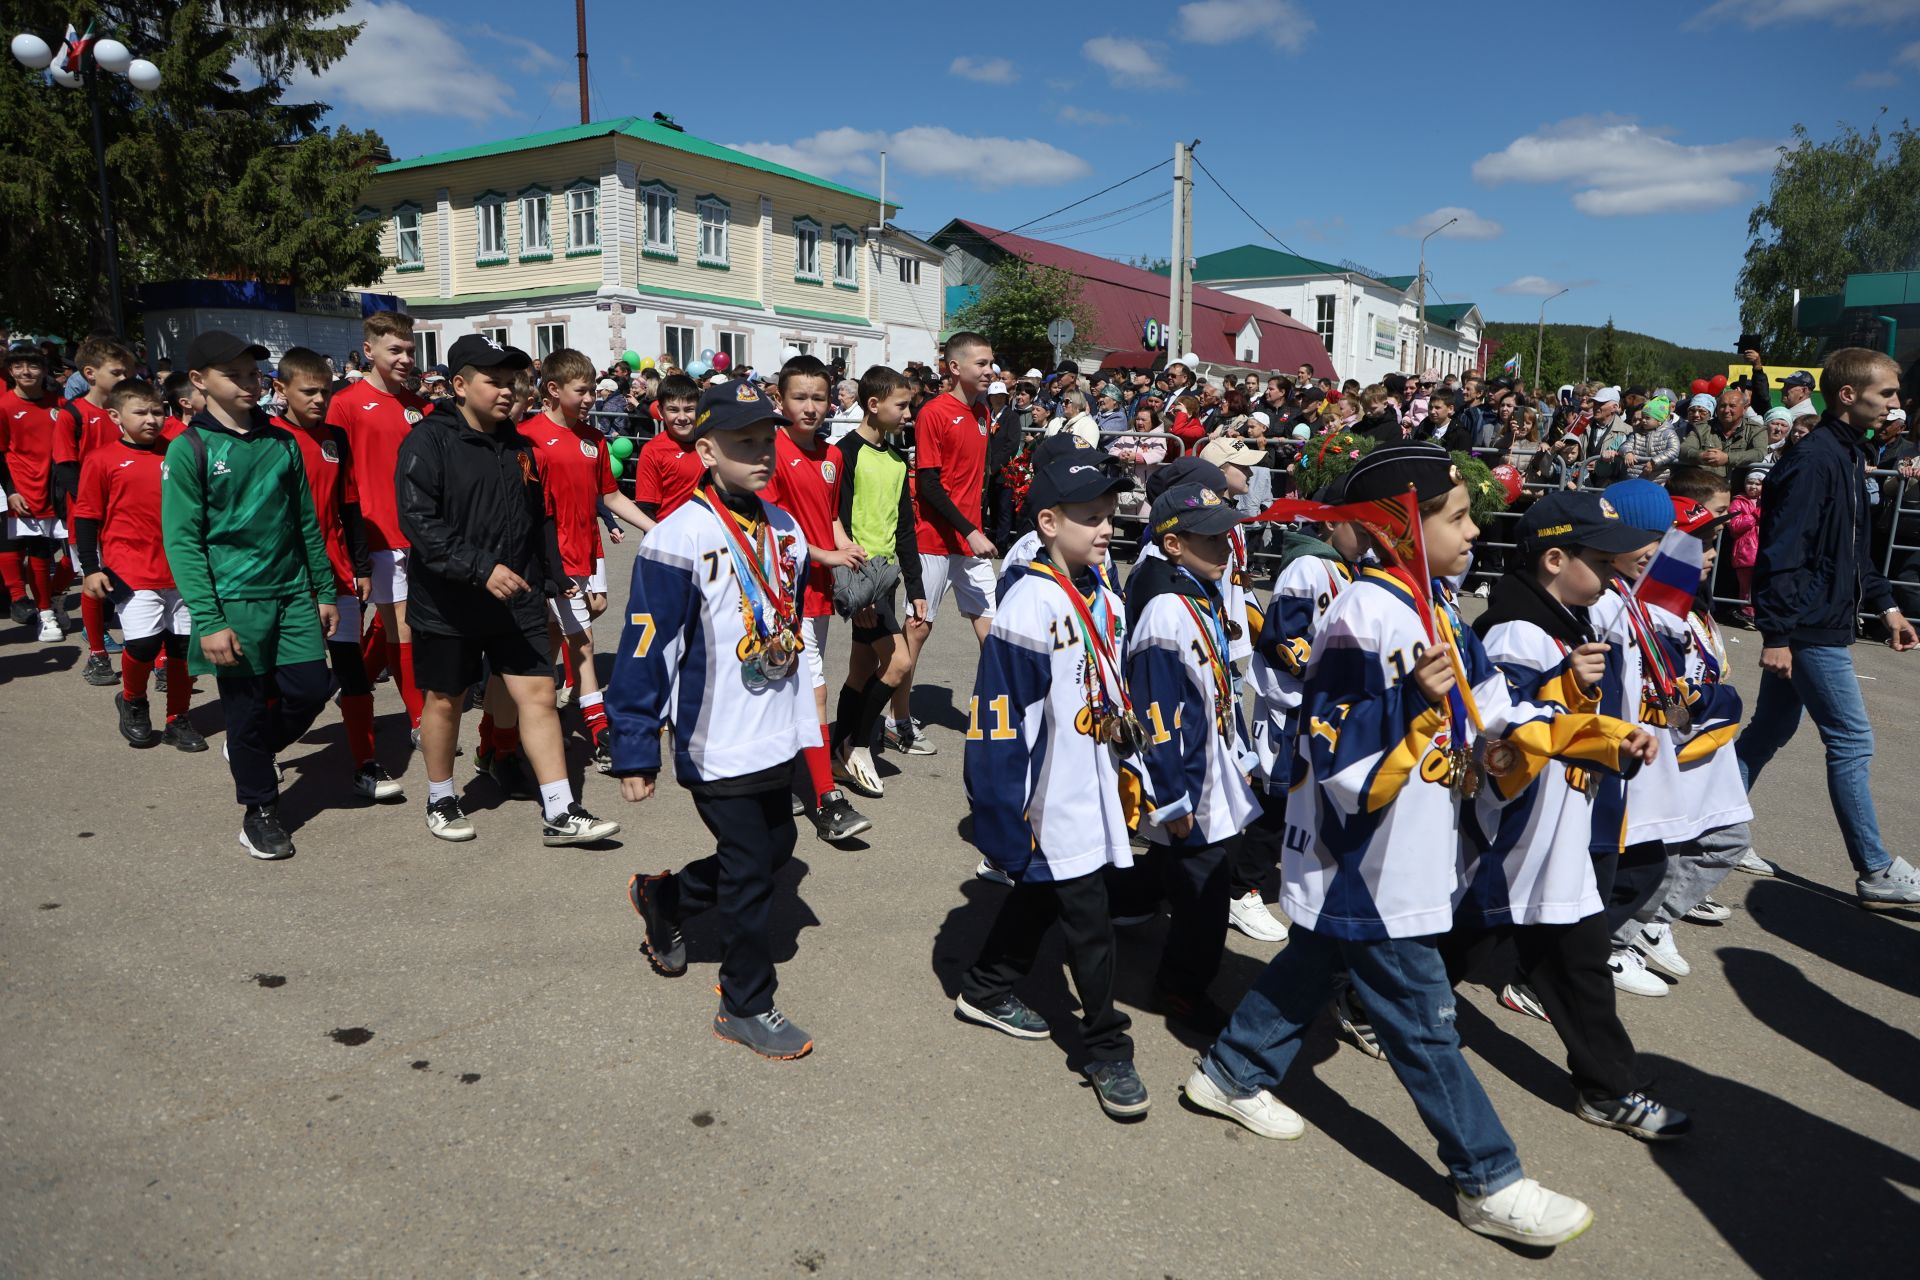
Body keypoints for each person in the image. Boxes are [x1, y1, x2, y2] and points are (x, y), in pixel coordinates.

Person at [1181, 443, 1598, 1249]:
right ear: (1399, 529)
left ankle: (1229, 1072)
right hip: (1363, 854)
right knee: (1423, 1017)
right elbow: (1333, 747)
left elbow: (1490, 700)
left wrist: (1578, 716)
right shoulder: (1360, 614)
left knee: (1319, 960)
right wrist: (1413, 696)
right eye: (1457, 517)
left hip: (1409, 841)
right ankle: (1489, 1178)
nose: (1476, 530)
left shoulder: (1433, 601)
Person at [1458, 489, 1686, 1138]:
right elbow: (1497, 737)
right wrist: (1563, 684)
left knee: (1576, 957)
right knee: (1455, 936)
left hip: (1557, 827)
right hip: (1514, 830)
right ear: (1554, 559)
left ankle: (1606, 1087)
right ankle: (1351, 996)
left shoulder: (1571, 616)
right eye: (1603, 560)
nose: (1616, 572)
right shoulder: (1518, 630)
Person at [611, 379, 822, 1061]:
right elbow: (647, 644)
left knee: (776, 848)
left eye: (768, 440)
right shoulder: (677, 537)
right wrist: (636, 744)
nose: (762, 454)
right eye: (743, 443)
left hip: (775, 728)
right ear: (705, 448)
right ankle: (744, 1002)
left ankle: (664, 896)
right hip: (717, 736)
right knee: (752, 869)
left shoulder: (784, 527)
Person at [951, 449, 1149, 1119]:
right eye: (1090, 518)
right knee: (1089, 921)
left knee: (1044, 893)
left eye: (1110, 517)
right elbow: (999, 721)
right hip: (1049, 794)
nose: (1104, 530)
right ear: (1047, 522)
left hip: (1091, 781)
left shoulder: (1104, 593)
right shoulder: (1031, 601)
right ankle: (1105, 1047)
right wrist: (1002, 817)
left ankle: (984, 985)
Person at [395, 334, 620, 848]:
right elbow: (419, 521)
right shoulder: (428, 440)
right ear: (459, 384)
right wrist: (480, 568)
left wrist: (552, 576)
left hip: (515, 596)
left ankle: (562, 810)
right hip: (448, 600)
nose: (503, 391)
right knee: (445, 701)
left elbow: (538, 517)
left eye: (509, 381)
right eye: (491, 380)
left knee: (539, 695)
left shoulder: (520, 446)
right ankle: (440, 797)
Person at [1737, 348, 1920, 908]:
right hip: (1809, 627)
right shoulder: (1814, 459)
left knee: (1767, 732)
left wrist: (1888, 607)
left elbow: (1853, 548)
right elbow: (1782, 551)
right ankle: (1875, 870)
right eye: (1886, 393)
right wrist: (1776, 635)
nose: (1896, 403)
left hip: (1820, 620)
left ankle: (1708, 828)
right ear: (1848, 394)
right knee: (1852, 740)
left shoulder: (1848, 454)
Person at [162, 331, 340, 860]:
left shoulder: (281, 439)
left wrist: (323, 588)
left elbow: (305, 521)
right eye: (233, 374)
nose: (247, 383)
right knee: (242, 711)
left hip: (291, 595)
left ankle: (252, 751)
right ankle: (259, 809)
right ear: (199, 383)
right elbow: (183, 542)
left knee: (311, 688)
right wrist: (209, 619)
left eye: (252, 374)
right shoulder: (189, 447)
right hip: (232, 602)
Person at [1125, 483, 1260, 1034]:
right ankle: (1181, 990)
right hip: (1190, 777)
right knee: (1204, 896)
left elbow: (1218, 685)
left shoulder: (1199, 592)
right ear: (1174, 544)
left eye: (1225, 533)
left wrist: (1243, 751)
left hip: (1213, 763)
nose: (1225, 546)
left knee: (1174, 874)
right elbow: (1156, 709)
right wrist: (1172, 793)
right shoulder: (1165, 607)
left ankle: (1097, 904)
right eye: (1210, 537)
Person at [1620, 480, 1754, 976]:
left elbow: (1708, 686)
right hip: (1671, 752)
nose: (1711, 555)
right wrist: (1724, 701)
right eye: (1700, 544)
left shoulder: (1690, 608)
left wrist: (1720, 700)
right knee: (1659, 854)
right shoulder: (1651, 616)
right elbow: (1679, 698)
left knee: (1723, 840)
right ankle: (1621, 938)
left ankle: (1649, 924)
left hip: (1702, 750)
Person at [273, 346, 401, 802]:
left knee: (351, 668)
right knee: (291, 676)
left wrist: (361, 565)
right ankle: (262, 747)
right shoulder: (266, 437)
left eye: (326, 391)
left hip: (339, 573)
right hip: (285, 578)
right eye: (309, 392)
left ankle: (364, 764)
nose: (319, 400)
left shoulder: (334, 440)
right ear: (280, 389)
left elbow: (349, 506)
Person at [764, 355, 872, 843]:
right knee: (813, 686)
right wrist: (825, 555)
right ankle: (826, 797)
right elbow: (772, 530)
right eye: (799, 397)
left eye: (819, 398)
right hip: (782, 589)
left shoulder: (832, 457)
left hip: (819, 588)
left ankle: (778, 775)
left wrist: (843, 544)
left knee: (795, 684)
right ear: (780, 399)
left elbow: (827, 518)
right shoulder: (770, 451)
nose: (810, 407)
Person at [525, 348, 649, 773]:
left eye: (593, 391)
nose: (590, 399)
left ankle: (509, 736)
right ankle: (598, 732)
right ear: (554, 389)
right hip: (541, 560)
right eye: (582, 392)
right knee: (580, 643)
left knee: (557, 640)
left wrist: (652, 527)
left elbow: (610, 496)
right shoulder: (528, 436)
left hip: (581, 555)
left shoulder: (595, 441)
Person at [72, 381, 203, 751]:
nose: (151, 419)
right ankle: (133, 700)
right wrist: (90, 567)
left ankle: (178, 717)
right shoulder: (102, 459)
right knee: (144, 645)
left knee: (181, 648)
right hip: (130, 568)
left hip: (181, 569)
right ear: (115, 416)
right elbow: (86, 517)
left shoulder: (179, 451)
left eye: (157, 412)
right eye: (140, 413)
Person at [890, 332, 999, 758]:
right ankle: (897, 721)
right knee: (918, 630)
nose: (990, 370)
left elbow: (975, 478)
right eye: (982, 364)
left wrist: (976, 527)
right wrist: (969, 529)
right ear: (954, 368)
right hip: (934, 539)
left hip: (969, 541)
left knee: (994, 630)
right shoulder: (935, 413)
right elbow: (930, 485)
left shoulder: (983, 410)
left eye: (992, 363)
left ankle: (995, 712)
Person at [325, 311, 429, 740]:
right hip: (376, 535)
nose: (405, 358)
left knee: (400, 623)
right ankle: (421, 722)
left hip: (422, 533)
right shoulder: (344, 404)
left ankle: (357, 683)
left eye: (410, 349)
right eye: (395, 350)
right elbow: (333, 475)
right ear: (369, 351)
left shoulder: (421, 406)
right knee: (401, 624)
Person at [826, 365, 925, 800]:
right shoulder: (844, 454)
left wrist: (917, 588)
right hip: (861, 578)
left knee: (862, 668)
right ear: (873, 404)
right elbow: (837, 521)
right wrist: (855, 584)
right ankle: (858, 746)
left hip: (889, 580)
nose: (908, 414)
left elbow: (905, 529)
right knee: (899, 663)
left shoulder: (898, 460)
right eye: (901, 406)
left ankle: (835, 752)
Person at [63, 336, 135, 683]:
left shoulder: (132, 411)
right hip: (91, 514)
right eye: (117, 372)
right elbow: (65, 467)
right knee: (94, 580)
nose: (124, 379)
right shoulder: (73, 413)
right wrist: (94, 504)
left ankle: (155, 653)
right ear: (90, 374)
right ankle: (97, 653)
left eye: (127, 372)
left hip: (128, 514)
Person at [0, 340, 73, 641]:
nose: (26, 371)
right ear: (11, 371)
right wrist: (11, 491)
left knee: (49, 553)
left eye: (33, 366)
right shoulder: (4, 406)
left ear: (44, 370)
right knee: (16, 548)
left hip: (54, 490)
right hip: (20, 488)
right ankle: (37, 609)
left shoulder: (60, 405)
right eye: (19, 366)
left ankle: (48, 606)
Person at [629, 372, 704, 530]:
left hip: (711, 539)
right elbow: (646, 508)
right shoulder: (653, 451)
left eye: (689, 409)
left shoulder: (712, 442)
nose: (682, 417)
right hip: (672, 537)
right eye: (673, 410)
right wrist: (662, 538)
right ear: (661, 412)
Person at [1677, 390, 1767, 481]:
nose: (1726, 410)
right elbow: (1684, 449)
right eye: (1722, 406)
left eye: (1732, 406)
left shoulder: (1756, 429)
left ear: (1745, 408)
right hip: (1705, 485)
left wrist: (1727, 458)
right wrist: (1702, 456)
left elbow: (1759, 453)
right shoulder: (1702, 428)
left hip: (1738, 489)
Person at [1728, 465, 1765, 627]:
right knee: (1747, 587)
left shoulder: (1769, 501)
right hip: (1746, 550)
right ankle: (1747, 614)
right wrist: (1755, 515)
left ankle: (1760, 614)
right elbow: (1735, 525)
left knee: (1761, 585)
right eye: (1750, 483)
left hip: (1764, 549)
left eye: (1758, 484)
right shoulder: (1738, 502)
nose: (1753, 487)